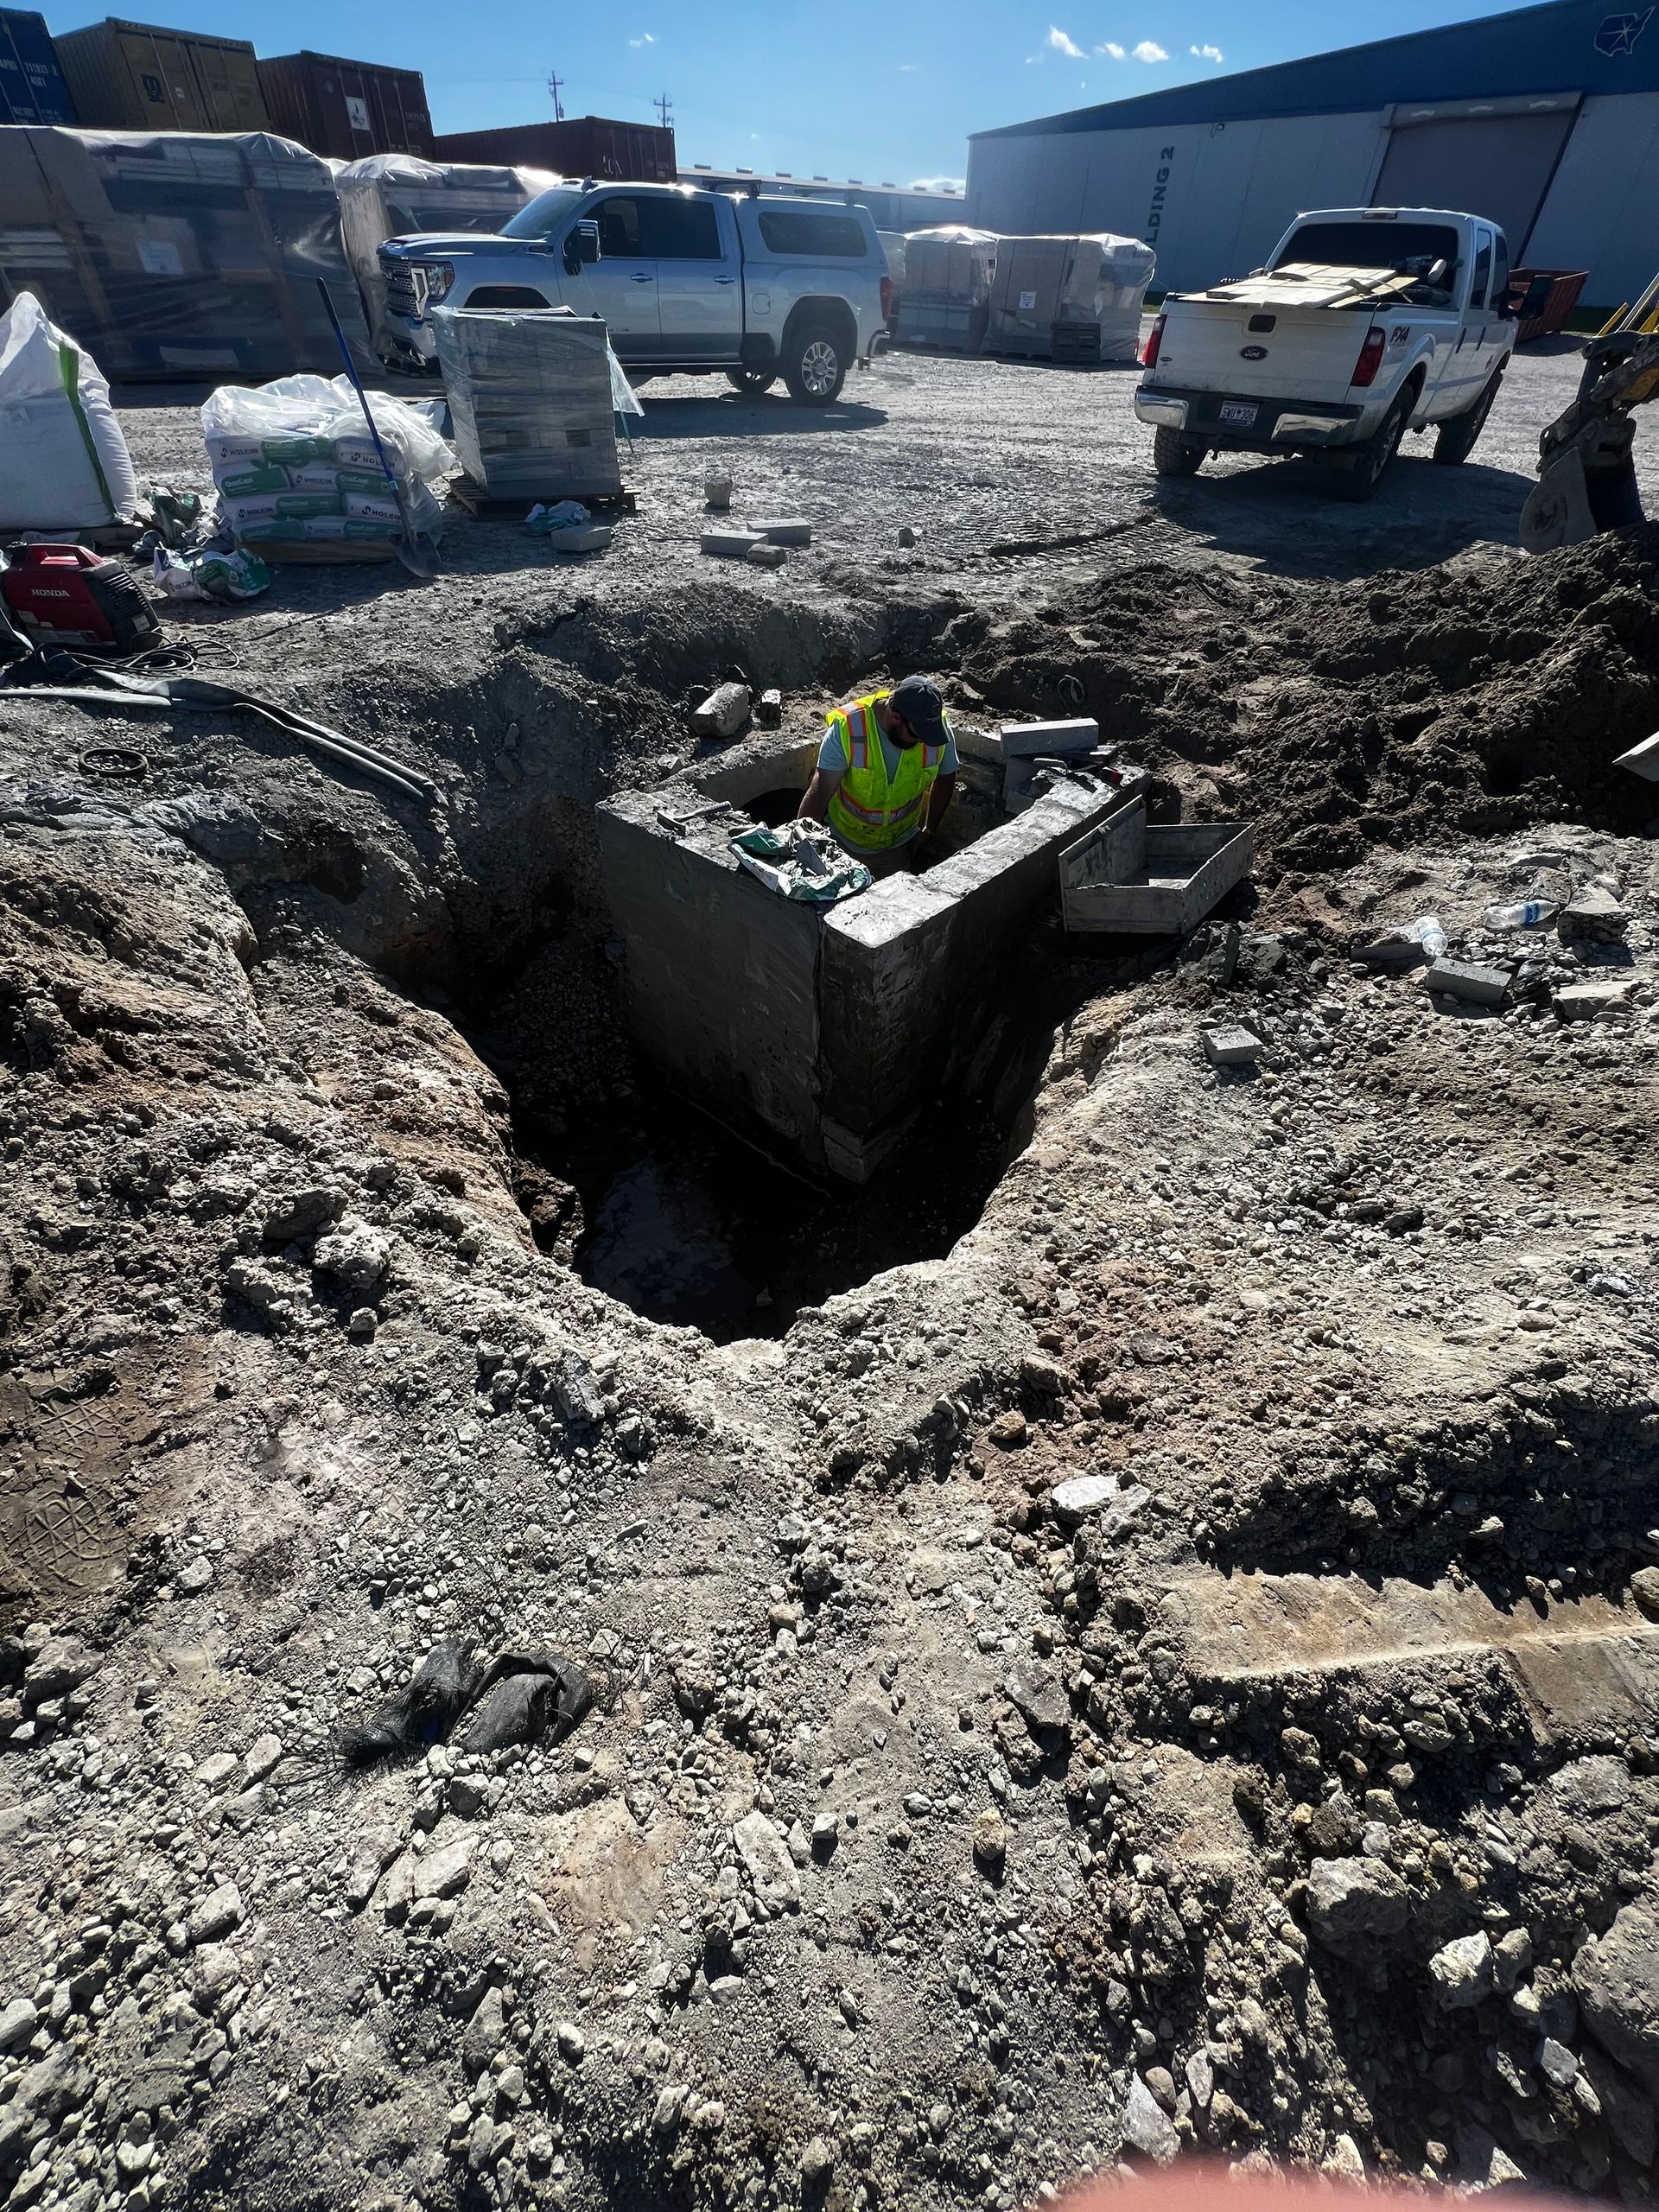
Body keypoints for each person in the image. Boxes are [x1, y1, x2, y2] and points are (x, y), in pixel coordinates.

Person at [797, 674, 958, 872]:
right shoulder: (850, 727)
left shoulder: (934, 730)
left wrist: (929, 830)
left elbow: (946, 776)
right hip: (845, 845)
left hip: (898, 846)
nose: (923, 742)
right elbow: (821, 791)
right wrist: (802, 844)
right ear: (896, 717)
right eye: (916, 736)